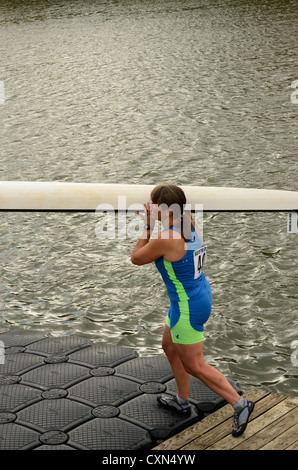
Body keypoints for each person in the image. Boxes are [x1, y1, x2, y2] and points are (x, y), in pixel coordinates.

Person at [131, 183, 254, 437]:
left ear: (163, 208)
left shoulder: (166, 238)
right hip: (197, 295)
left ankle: (240, 404)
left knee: (195, 365)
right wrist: (159, 217)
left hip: (186, 306)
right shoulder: (188, 222)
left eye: (152, 203)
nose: (149, 206)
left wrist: (147, 225)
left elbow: (137, 257)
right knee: (169, 345)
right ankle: (182, 400)